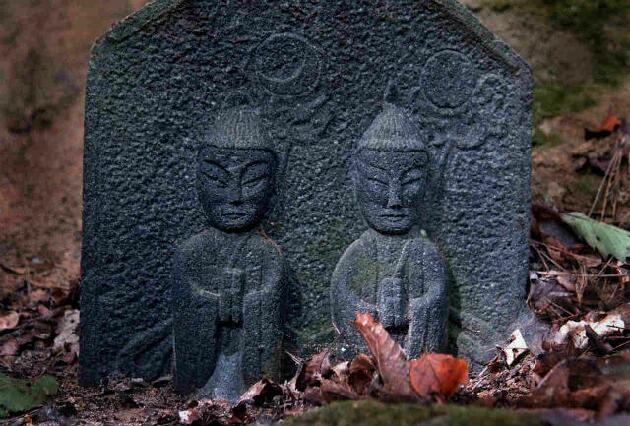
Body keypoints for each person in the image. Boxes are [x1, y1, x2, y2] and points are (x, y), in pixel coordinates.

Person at [172, 106, 285, 401]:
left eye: (252, 181)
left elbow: (268, 306)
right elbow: (187, 306)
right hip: (206, 367)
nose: (235, 197)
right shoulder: (192, 253)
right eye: (218, 181)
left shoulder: (268, 254)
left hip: (248, 366)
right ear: (198, 181)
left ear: (273, 184)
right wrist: (215, 304)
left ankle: (253, 391)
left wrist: (249, 305)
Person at [331, 103, 448, 358]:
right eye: (378, 183)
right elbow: (342, 296)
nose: (394, 200)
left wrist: (412, 309)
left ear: (426, 186)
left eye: (410, 183)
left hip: (413, 355)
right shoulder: (360, 251)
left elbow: (436, 296)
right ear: (357, 184)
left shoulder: (424, 252)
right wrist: (373, 314)